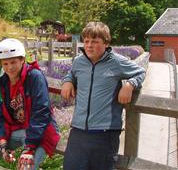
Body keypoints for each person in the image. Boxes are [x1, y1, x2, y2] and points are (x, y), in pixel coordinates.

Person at [61, 22, 146, 170]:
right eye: (86, 41)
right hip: (78, 132)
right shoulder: (78, 61)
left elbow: (140, 72)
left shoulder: (116, 62)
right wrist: (67, 81)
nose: (89, 45)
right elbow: (71, 74)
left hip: (105, 135)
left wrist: (129, 85)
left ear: (106, 43)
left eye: (95, 41)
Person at [0, 38, 60, 170]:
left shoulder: (35, 77)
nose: (10, 67)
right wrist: (3, 144)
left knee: (25, 165)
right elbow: (0, 118)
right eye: (5, 64)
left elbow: (42, 113)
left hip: (39, 130)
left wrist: (29, 149)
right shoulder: (1, 87)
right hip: (15, 129)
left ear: (22, 59)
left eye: (13, 62)